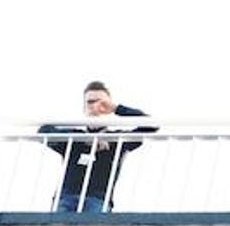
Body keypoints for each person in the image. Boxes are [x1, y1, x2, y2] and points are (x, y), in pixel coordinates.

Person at [39, 82, 156, 212]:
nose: (95, 107)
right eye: (90, 102)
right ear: (84, 107)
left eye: (102, 103)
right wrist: (85, 139)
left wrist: (117, 109)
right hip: (66, 198)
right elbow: (44, 130)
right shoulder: (74, 136)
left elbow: (151, 125)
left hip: (99, 200)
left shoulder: (117, 139)